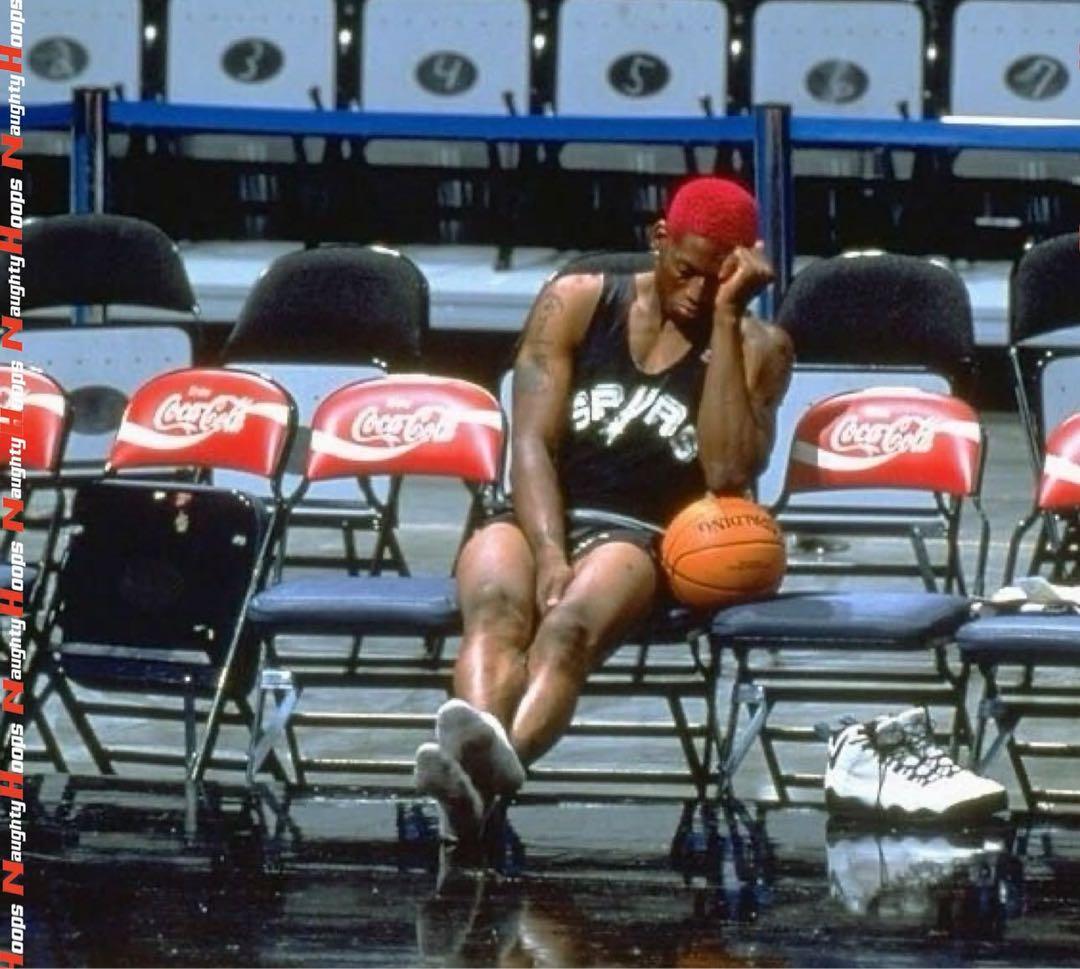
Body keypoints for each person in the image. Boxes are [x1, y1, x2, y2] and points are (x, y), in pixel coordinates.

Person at [413, 176, 795, 840]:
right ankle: (478, 787)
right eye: (686, 271)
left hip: (641, 535)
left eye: (717, 281)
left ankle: (483, 784)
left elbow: (727, 471)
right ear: (659, 238)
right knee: (495, 610)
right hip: (536, 513)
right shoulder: (577, 300)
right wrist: (550, 552)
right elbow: (531, 441)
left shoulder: (761, 346)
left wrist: (727, 320)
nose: (697, 292)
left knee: (566, 630)